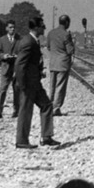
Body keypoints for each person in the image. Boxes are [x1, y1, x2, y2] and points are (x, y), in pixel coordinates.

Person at [14, 17, 59, 149]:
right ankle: (21, 141)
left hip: (35, 83)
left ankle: (46, 137)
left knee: (47, 105)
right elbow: (19, 65)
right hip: (28, 84)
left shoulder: (33, 41)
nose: (44, 28)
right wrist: (22, 85)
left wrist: (39, 71)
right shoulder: (28, 42)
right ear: (36, 28)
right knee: (25, 111)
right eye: (42, 26)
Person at [45, 14, 76, 116]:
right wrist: (72, 43)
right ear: (66, 23)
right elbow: (70, 50)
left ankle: (50, 105)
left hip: (53, 63)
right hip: (63, 64)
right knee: (60, 86)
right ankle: (56, 108)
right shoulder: (66, 34)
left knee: (52, 86)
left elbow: (48, 47)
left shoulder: (50, 33)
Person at [0, 20, 20, 118]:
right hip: (6, 67)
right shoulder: (2, 39)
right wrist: (4, 56)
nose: (12, 29)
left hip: (16, 67)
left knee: (16, 89)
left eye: (13, 27)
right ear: (6, 28)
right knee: (3, 89)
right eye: (10, 27)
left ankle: (16, 110)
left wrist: (17, 56)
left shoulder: (19, 39)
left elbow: (22, 52)